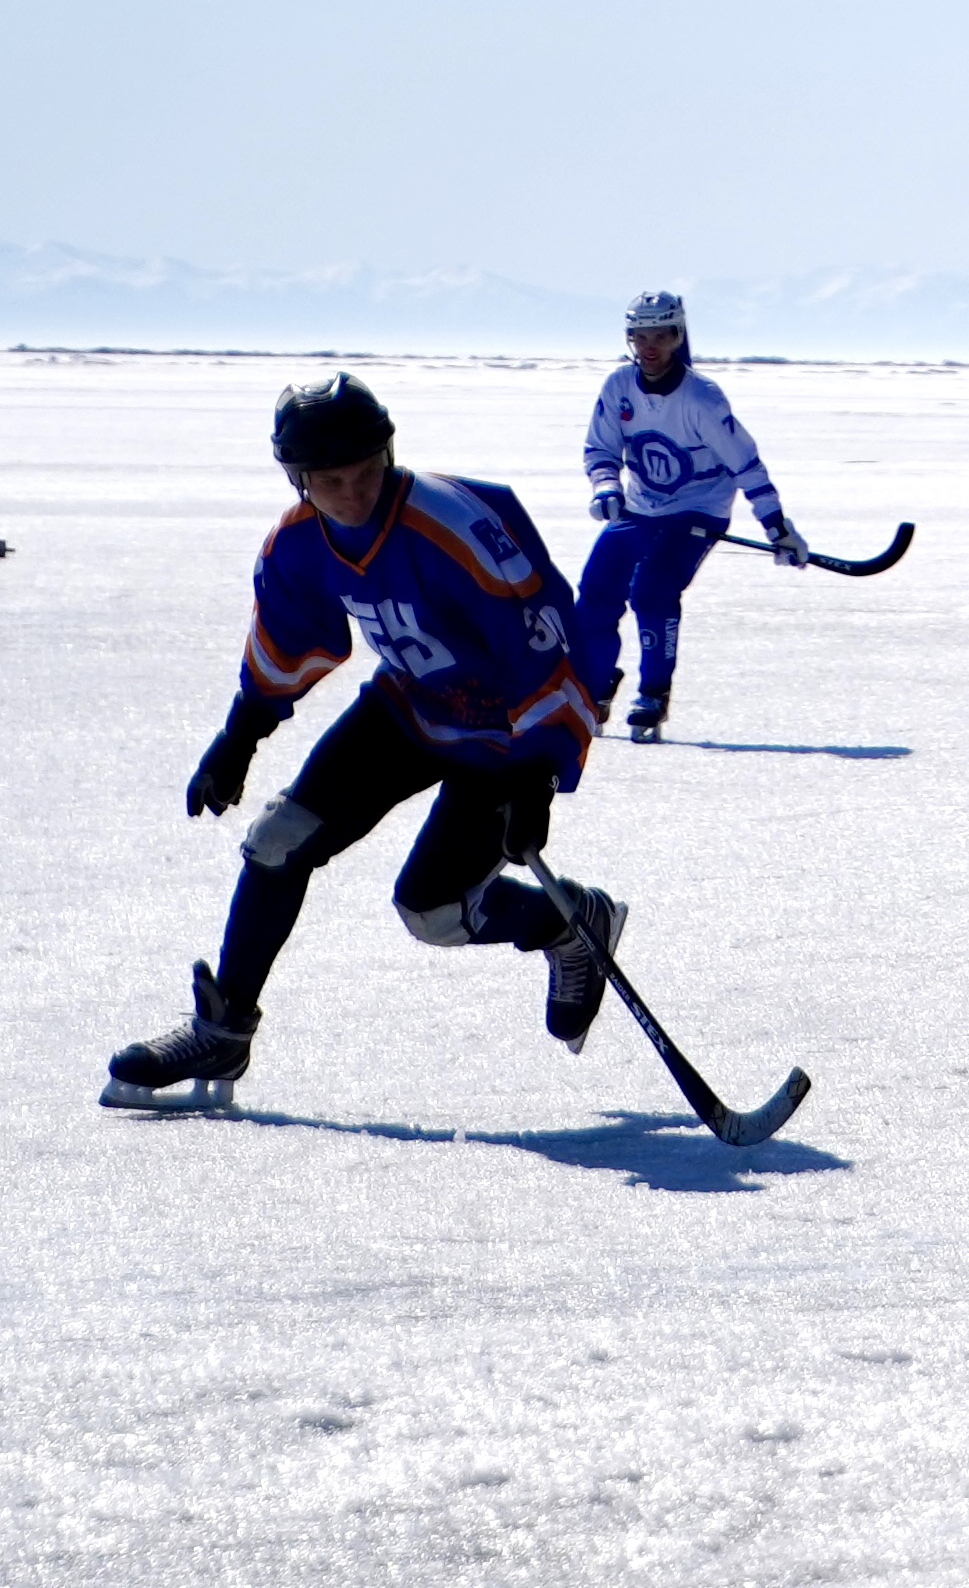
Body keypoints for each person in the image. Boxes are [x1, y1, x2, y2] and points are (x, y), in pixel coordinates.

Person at [102, 374, 628, 1112]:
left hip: (504, 736)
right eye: (328, 480)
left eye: (365, 473)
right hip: (407, 707)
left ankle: (570, 921)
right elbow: (288, 640)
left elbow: (547, 649)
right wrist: (239, 736)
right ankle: (222, 1030)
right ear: (298, 478)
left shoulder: (458, 522)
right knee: (277, 840)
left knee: (432, 912)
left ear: (388, 455)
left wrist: (535, 777)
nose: (351, 494)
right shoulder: (297, 541)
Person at [575, 290, 806, 741]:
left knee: (652, 591)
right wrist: (606, 486)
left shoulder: (701, 399)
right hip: (640, 508)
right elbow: (600, 448)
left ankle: (653, 695)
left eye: (660, 334)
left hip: (698, 511)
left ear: (678, 337)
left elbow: (746, 465)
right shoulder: (618, 387)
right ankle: (593, 685)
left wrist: (778, 526)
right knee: (595, 594)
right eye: (640, 335)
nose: (649, 346)